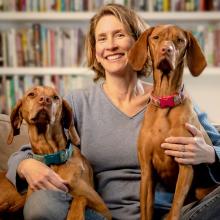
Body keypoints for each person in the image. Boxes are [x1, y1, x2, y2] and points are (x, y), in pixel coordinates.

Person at [6, 3, 220, 220]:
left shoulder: (176, 102)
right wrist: (24, 164)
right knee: (43, 203)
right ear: (95, 52)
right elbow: (30, 149)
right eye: (102, 38)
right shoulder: (77, 103)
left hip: (172, 215)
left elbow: (216, 146)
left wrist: (211, 155)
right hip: (99, 215)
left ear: (141, 44)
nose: (111, 45)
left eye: (119, 35)